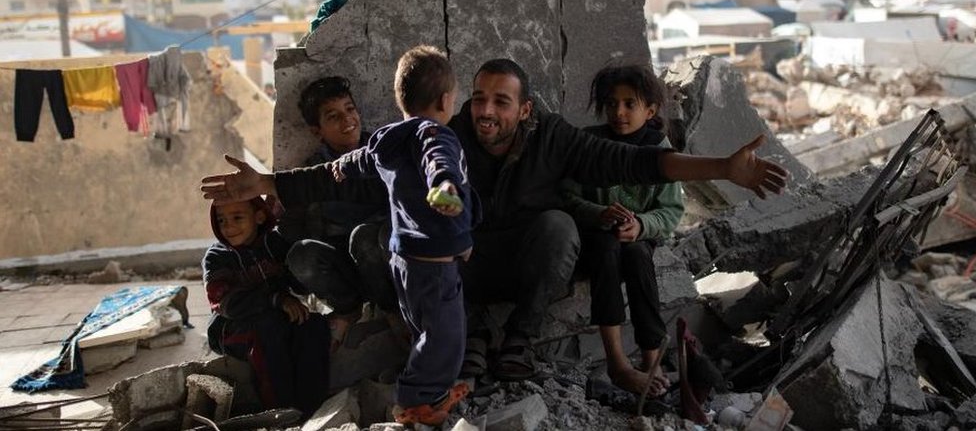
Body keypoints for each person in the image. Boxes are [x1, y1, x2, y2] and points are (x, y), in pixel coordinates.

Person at [201, 57, 788, 382]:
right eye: (478, 98)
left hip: (528, 262)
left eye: (501, 102)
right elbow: (348, 170)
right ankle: (464, 337)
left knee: (558, 225)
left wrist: (722, 168)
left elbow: (636, 161)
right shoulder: (445, 136)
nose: (486, 110)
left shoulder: (554, 138)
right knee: (382, 238)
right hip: (462, 269)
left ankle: (518, 341)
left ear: (524, 109)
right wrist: (270, 183)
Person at [331, 45, 477, 426]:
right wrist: (444, 184)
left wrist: (342, 166)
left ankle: (433, 392)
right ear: (445, 100)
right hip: (434, 265)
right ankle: (415, 403)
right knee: (445, 336)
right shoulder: (435, 133)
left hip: (404, 262)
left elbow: (362, 158)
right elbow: (438, 159)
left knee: (424, 330)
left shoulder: (387, 140)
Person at [562, 63, 683, 397]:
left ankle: (652, 359)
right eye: (612, 103)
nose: (619, 112)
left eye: (630, 104)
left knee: (638, 257)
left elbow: (672, 210)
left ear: (650, 111)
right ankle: (617, 362)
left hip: (637, 238)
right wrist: (598, 213)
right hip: (596, 238)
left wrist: (641, 225)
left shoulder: (659, 149)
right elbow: (565, 196)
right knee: (606, 251)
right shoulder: (590, 143)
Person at [277, 76, 396, 350]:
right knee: (301, 254)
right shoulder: (313, 170)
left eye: (350, 109)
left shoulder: (381, 152)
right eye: (333, 116)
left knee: (364, 237)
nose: (347, 120)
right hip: (344, 266)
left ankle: (391, 310)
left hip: (382, 259)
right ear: (317, 131)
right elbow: (291, 227)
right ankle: (348, 309)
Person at [202, 197, 331, 417]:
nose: (228, 227)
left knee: (313, 324)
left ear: (259, 217)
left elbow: (299, 285)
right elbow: (227, 303)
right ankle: (279, 411)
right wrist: (276, 299)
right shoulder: (217, 257)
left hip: (277, 316)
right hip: (230, 328)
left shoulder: (275, 244)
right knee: (269, 329)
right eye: (221, 220)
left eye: (237, 218)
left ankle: (312, 408)